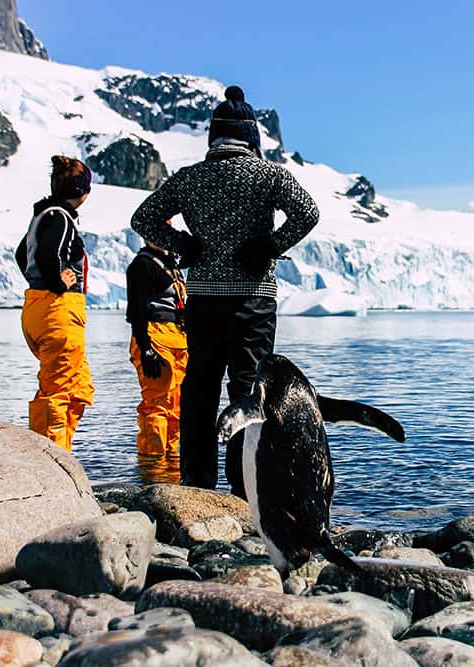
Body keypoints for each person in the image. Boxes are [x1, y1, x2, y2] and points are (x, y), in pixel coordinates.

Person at [130, 85, 319, 496]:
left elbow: (144, 218)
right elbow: (308, 213)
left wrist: (184, 244)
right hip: (253, 298)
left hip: (202, 299)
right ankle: (243, 484)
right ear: (252, 137)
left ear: (213, 136)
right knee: (248, 388)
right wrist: (269, 245)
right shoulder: (269, 175)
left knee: (199, 386)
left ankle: (196, 481)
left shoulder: (190, 179)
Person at [16, 155, 94, 451]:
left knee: (78, 386)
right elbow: (50, 253)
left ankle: (62, 449)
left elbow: (21, 254)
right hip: (58, 310)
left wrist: (36, 280)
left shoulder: (43, 216)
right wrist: (59, 281)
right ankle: (51, 460)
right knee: (59, 390)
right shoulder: (59, 217)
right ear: (81, 190)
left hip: (42, 307)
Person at [126, 239, 188, 483]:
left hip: (177, 337)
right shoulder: (142, 265)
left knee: (176, 406)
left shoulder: (171, 265)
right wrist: (145, 348)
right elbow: (136, 309)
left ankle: (171, 465)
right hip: (154, 335)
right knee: (156, 403)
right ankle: (152, 468)